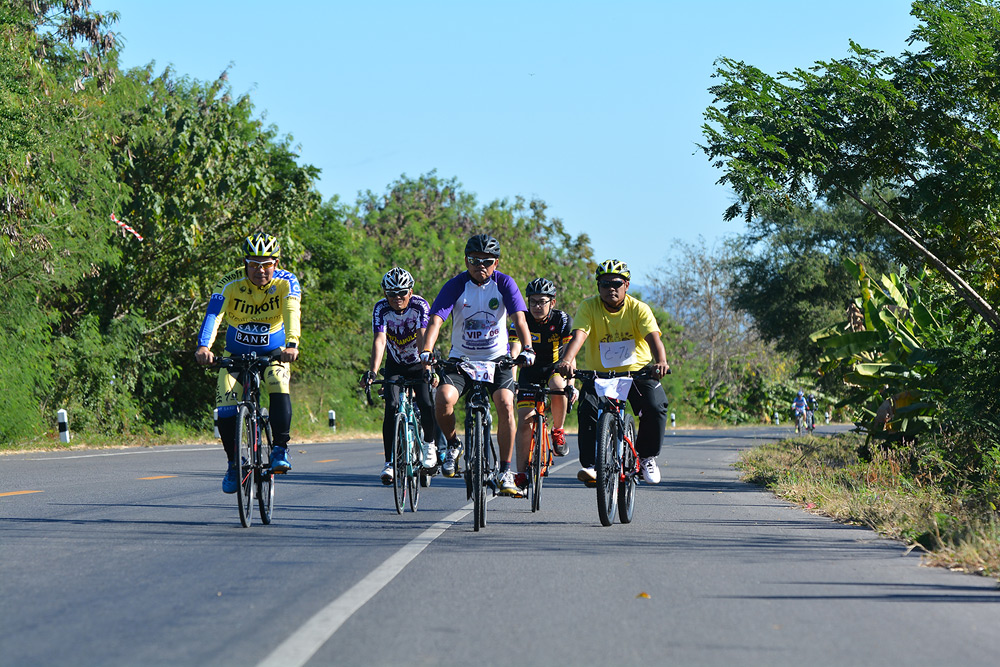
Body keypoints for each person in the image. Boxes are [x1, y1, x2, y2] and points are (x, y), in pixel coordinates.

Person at [419, 233, 535, 497]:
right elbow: (436, 320)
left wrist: (528, 348)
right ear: (466, 261)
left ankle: (505, 470)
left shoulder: (505, 283)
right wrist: (426, 350)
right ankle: (453, 443)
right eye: (474, 260)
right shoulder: (456, 285)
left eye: (487, 261)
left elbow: (519, 319)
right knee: (443, 398)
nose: (480, 266)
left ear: (496, 263)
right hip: (462, 359)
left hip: (497, 359)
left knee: (506, 404)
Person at [195, 232, 301, 493]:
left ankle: (280, 449)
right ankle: (234, 464)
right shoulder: (229, 283)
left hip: (274, 353)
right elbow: (213, 315)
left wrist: (292, 344)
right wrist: (204, 347)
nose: (260, 270)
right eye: (253, 264)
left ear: (276, 264)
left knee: (277, 382)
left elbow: (291, 311)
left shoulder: (287, 281)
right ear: (245, 263)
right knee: (226, 408)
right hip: (235, 354)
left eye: (266, 264)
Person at [554, 259, 670, 486]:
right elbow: (578, 336)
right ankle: (591, 465)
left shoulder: (639, 309)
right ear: (598, 286)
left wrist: (661, 362)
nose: (611, 289)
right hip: (600, 375)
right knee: (587, 407)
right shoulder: (589, 307)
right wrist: (566, 360)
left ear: (626, 285)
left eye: (616, 283)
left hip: (636, 373)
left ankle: (646, 456)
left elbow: (654, 339)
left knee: (656, 406)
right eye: (605, 284)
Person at [360, 267, 438, 485]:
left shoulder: (420, 305)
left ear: (410, 291)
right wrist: (373, 371)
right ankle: (390, 462)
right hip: (395, 364)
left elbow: (422, 336)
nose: (397, 298)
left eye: (402, 293)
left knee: (426, 402)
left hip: (418, 362)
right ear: (385, 293)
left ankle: (429, 446)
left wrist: (427, 369)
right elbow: (380, 340)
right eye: (392, 294)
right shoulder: (381, 308)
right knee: (392, 406)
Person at [508, 277, 574, 485]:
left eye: (542, 302)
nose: (537, 306)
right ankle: (521, 474)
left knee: (558, 387)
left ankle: (558, 430)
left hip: (554, 367)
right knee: (525, 421)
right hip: (529, 370)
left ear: (552, 302)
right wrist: (512, 382)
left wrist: (571, 385)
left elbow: (569, 356)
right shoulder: (521, 319)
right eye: (533, 301)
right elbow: (514, 351)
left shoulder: (562, 320)